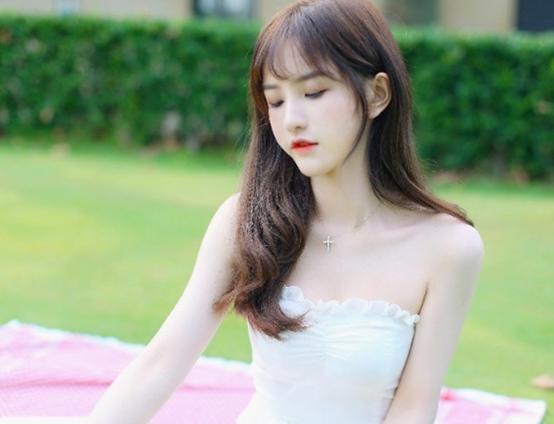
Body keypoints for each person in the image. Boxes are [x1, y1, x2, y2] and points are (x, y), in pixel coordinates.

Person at [1, 0, 484, 423]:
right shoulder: (247, 221)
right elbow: (162, 362)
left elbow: (414, 408)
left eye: (314, 93)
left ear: (377, 94)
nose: (292, 119)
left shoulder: (447, 247)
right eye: (275, 100)